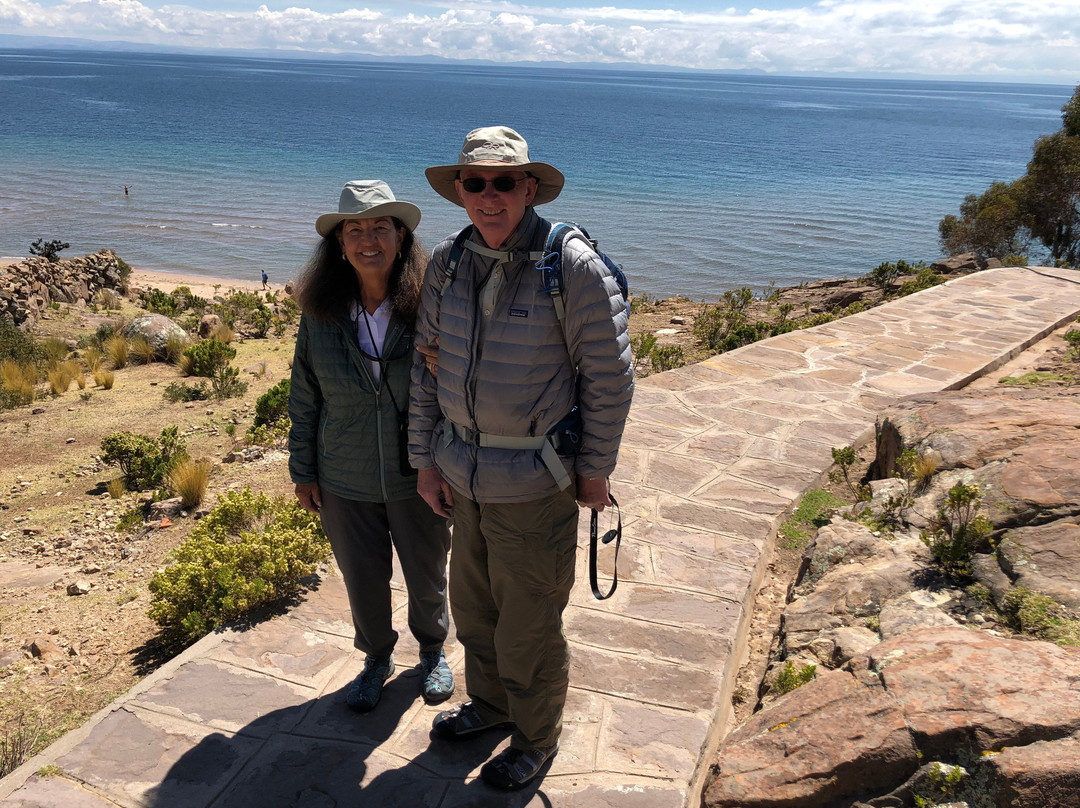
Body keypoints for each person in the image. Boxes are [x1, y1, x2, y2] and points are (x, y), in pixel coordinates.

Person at [409, 127, 634, 789]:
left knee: (528, 621)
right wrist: (425, 461)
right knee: (476, 610)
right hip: (462, 474)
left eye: (503, 181)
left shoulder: (571, 266)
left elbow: (611, 378)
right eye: (473, 183)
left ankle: (536, 737)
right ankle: (494, 705)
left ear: (528, 186)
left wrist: (594, 471)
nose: (487, 195)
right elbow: (426, 372)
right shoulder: (448, 263)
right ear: (459, 191)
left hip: (535, 482)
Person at [288, 180, 454, 713]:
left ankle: (432, 651)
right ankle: (376, 657)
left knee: (427, 570)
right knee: (363, 578)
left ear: (401, 237)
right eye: (354, 229)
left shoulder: (432, 304)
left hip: (418, 473)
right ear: (338, 244)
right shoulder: (320, 312)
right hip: (345, 474)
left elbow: (459, 386)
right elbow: (304, 395)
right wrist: (303, 469)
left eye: (380, 226)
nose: (367, 239)